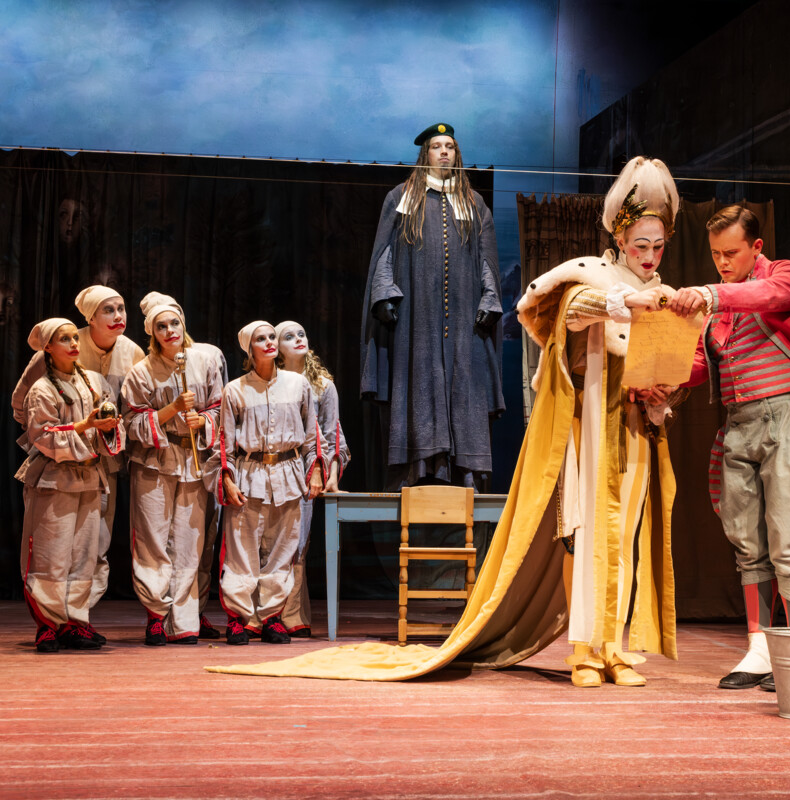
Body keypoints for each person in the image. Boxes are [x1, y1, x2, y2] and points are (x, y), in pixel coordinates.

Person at [207, 156, 680, 686]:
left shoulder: (660, 292)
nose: (649, 256)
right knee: (585, 534)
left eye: (658, 247)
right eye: (640, 245)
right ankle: (585, 653)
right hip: (589, 431)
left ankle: (614, 649)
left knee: (624, 536)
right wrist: (626, 301)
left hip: (636, 431)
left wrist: (663, 391)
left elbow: (668, 360)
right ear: (619, 240)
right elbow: (564, 309)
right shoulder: (592, 274)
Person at [669, 205, 790, 691]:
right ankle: (761, 649)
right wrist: (655, 376)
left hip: (789, 419)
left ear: (756, 247)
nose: (722, 263)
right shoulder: (717, 311)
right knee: (749, 543)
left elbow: (767, 296)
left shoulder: (787, 276)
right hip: (739, 425)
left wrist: (712, 293)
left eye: (731, 252)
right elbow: (698, 364)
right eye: (715, 255)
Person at [361, 122, 504, 491]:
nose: (444, 152)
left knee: (464, 385)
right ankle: (420, 468)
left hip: (464, 321)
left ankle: (464, 474)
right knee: (419, 382)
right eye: (437, 146)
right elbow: (384, 252)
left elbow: (487, 259)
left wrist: (490, 296)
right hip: (416, 318)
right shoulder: (402, 197)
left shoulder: (473, 202)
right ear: (425, 153)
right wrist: (384, 292)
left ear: (457, 154)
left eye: (450, 147)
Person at [11, 286, 144, 643]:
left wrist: (109, 429)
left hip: (94, 475)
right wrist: (79, 429)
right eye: (65, 339)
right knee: (52, 549)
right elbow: (37, 425)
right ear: (48, 347)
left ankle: (75, 619)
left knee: (88, 550)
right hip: (55, 476)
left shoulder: (97, 379)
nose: (73, 344)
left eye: (74, 338)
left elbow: (116, 421)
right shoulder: (43, 385)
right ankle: (48, 623)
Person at [206, 321, 324, 645]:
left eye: (272, 336)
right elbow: (224, 441)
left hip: (288, 474)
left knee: (282, 551)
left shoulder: (298, 384)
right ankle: (238, 619)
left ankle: (272, 618)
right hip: (250, 475)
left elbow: (313, 434)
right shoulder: (235, 390)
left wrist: (315, 471)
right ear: (250, 349)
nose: (270, 342)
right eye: (262, 339)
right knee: (242, 552)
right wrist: (227, 480)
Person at [121, 301, 222, 645]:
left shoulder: (205, 361)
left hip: (194, 460)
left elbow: (220, 408)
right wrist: (172, 410)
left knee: (190, 541)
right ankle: (156, 615)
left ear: (183, 324)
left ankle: (184, 620)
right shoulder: (141, 371)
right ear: (152, 332)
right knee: (153, 539)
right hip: (155, 460)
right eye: (161, 326)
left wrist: (203, 420)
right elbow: (131, 421)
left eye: (174, 323)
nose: (169, 331)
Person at [275, 320, 350, 638]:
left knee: (297, 543)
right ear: (277, 348)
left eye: (301, 334)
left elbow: (332, 434)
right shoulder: (270, 382)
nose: (298, 339)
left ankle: (292, 615)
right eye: (288, 336)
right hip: (273, 468)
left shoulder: (323, 386)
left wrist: (330, 474)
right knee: (271, 543)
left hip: (307, 469)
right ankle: (265, 615)